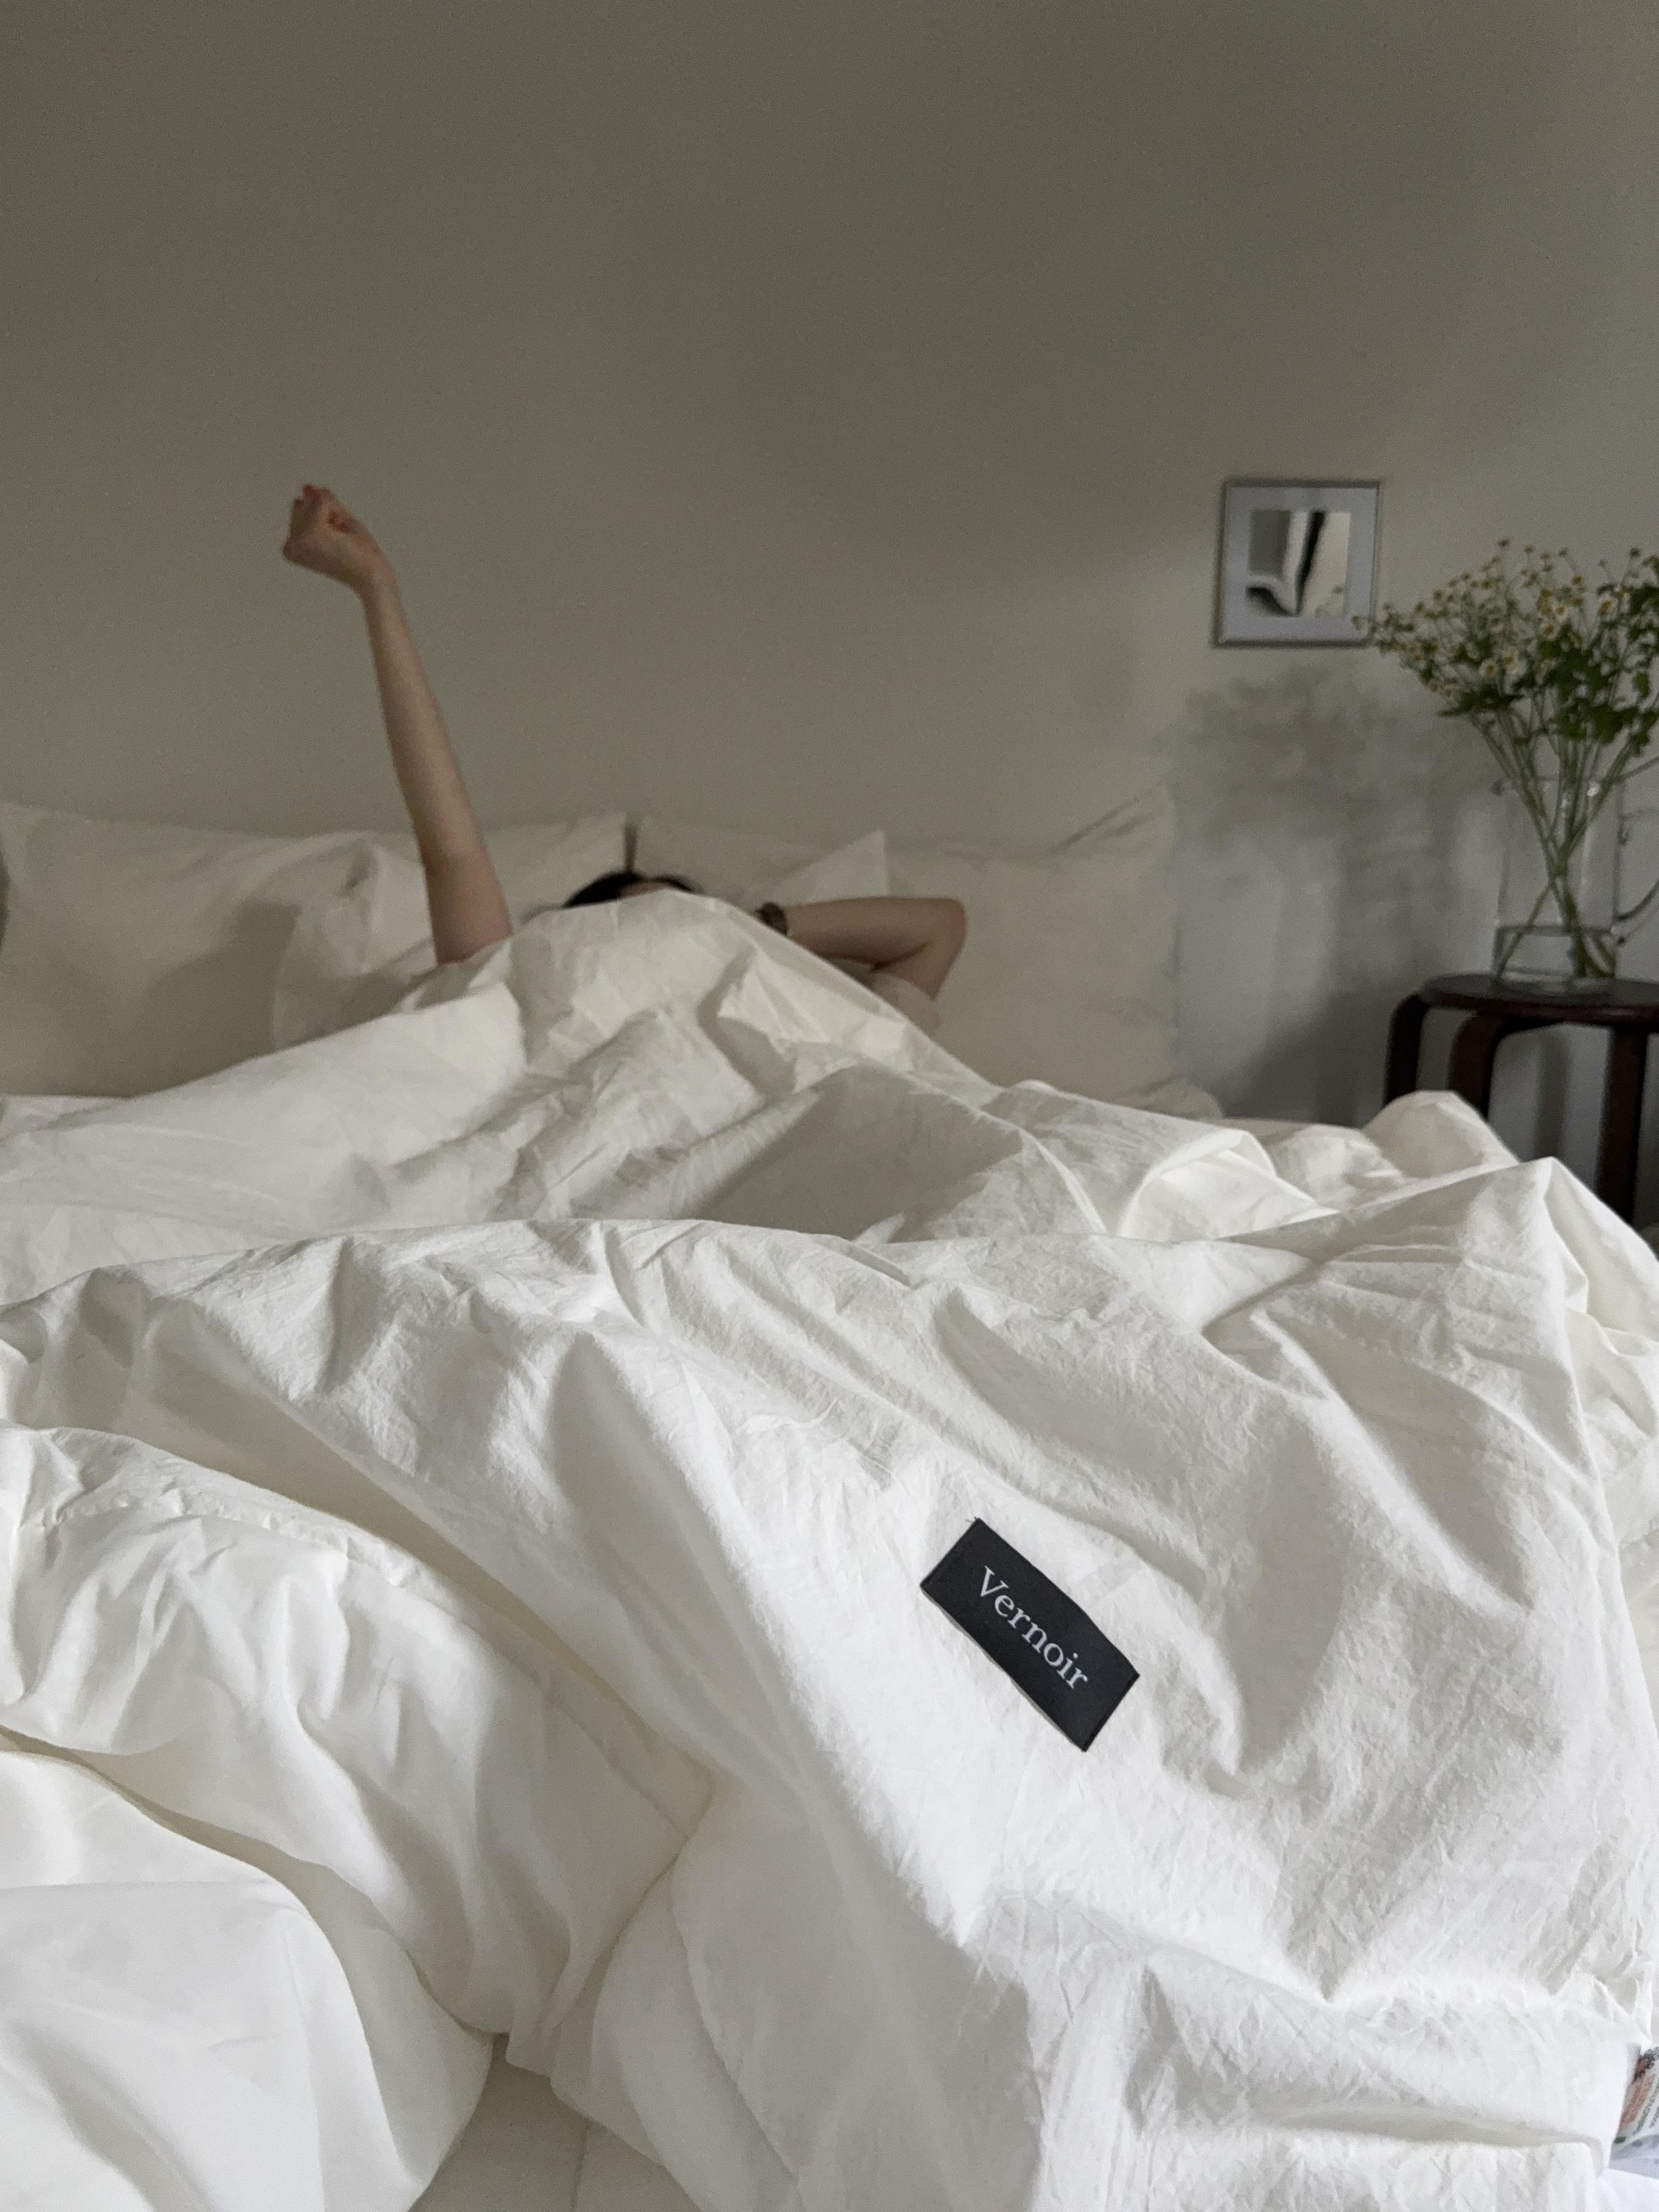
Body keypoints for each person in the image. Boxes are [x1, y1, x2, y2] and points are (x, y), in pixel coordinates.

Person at [280, 486, 966, 1027]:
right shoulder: (515, 992)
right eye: (634, 921)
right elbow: (450, 850)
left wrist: (747, 930)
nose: (662, 932)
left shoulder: (797, 1021)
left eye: (681, 921)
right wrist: (376, 588)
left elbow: (938, 927)